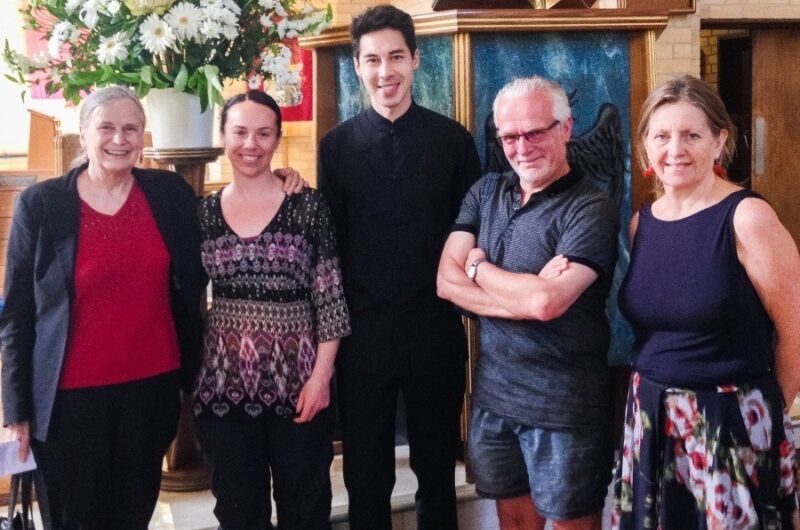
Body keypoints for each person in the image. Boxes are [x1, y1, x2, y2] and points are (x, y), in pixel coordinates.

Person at [0, 85, 205, 529]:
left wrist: (280, 180)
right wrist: (16, 408)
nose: (119, 139)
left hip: (150, 394)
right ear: (83, 133)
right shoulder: (42, 204)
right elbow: (16, 312)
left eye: (131, 129)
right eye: (106, 127)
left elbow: (226, 226)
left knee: (132, 517)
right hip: (67, 403)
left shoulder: (170, 195)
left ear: (143, 136)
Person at [317, 5, 482, 530]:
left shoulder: (452, 141)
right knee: (366, 477)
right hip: (362, 337)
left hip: (435, 330)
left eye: (395, 57)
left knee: (437, 472)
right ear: (357, 66)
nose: (384, 71)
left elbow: (473, 231)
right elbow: (330, 244)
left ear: (415, 59)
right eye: (372, 60)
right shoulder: (336, 147)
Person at [611, 75, 800, 529]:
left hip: (729, 424)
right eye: (662, 136)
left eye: (691, 135)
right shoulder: (642, 224)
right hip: (651, 418)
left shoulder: (748, 218)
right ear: (646, 146)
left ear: (720, 142)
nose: (675, 149)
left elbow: (795, 330)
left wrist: (763, 417)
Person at [437, 76, 619, 530]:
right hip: (496, 399)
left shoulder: (590, 208)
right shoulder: (486, 192)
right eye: (510, 137)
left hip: (565, 410)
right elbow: (444, 281)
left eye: (535, 132)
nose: (522, 148)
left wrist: (478, 267)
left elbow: (546, 302)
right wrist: (526, 296)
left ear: (566, 128)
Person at [193, 89, 350, 530]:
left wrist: (321, 379)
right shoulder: (203, 214)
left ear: (278, 138)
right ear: (223, 136)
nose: (251, 144)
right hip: (223, 391)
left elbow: (331, 299)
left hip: (300, 387)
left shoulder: (307, 206)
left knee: (306, 512)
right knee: (238, 515)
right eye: (240, 132)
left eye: (264, 134)